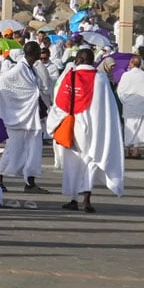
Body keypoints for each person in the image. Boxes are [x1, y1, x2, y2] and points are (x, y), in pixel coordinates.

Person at [49, 48, 123, 212]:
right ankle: (87, 199)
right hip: (95, 129)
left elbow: (60, 104)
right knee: (90, 162)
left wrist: (52, 123)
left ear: (79, 60)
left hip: (73, 128)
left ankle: (73, 198)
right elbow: (108, 108)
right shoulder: (101, 79)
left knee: (73, 163)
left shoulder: (70, 76)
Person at [0, 41, 47, 191]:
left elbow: (33, 89)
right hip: (19, 117)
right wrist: (15, 104)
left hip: (31, 117)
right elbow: (1, 83)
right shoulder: (20, 68)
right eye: (39, 51)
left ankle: (30, 182)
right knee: (13, 149)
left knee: (33, 150)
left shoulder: (31, 69)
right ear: (34, 53)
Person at [116, 55, 144, 159]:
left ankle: (128, 151)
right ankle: (136, 151)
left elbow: (120, 91)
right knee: (140, 128)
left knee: (129, 127)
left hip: (129, 105)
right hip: (141, 105)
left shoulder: (126, 75)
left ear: (131, 63)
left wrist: (124, 101)